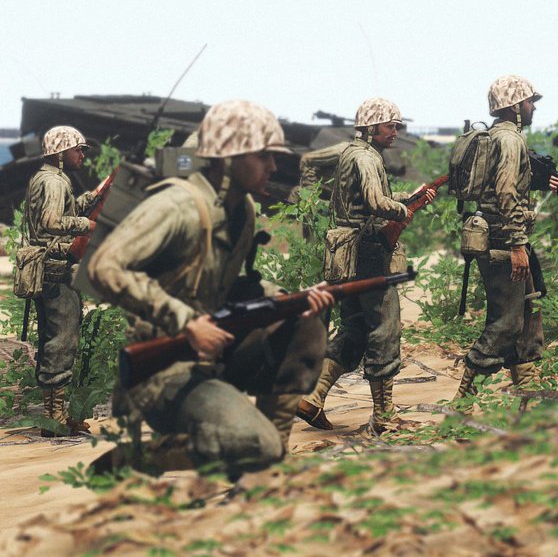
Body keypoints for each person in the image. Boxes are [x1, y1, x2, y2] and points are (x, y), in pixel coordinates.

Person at [88, 100, 334, 475]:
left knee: (306, 324)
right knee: (255, 445)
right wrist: (186, 323)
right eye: (263, 156)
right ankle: (131, 459)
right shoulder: (179, 204)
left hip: (214, 353)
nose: (273, 166)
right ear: (228, 157)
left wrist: (283, 300)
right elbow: (106, 266)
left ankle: (268, 466)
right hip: (161, 370)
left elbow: (219, 285)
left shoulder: (244, 211)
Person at [298, 98, 435, 433]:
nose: (396, 132)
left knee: (355, 329)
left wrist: (405, 197)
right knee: (385, 330)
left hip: (344, 255)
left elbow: (360, 197)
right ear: (372, 127)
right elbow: (375, 203)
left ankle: (312, 400)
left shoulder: (351, 152)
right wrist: (404, 210)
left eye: (398, 126)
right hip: (369, 253)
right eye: (390, 126)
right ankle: (385, 417)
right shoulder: (365, 157)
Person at [454, 75, 558, 401]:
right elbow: (504, 193)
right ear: (516, 106)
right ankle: (461, 402)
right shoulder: (511, 140)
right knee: (506, 324)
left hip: (503, 238)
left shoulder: (497, 137)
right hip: (504, 243)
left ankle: (529, 400)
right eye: (530, 102)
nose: (533, 108)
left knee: (528, 320)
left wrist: (545, 183)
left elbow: (505, 185)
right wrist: (518, 245)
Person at [15, 126, 102, 437]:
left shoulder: (50, 177)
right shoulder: (53, 181)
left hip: (48, 266)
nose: (81, 154)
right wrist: (86, 223)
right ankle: (54, 418)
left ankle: (58, 414)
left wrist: (92, 197)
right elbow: (52, 222)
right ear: (60, 153)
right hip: (53, 268)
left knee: (56, 339)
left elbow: (60, 212)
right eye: (77, 149)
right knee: (62, 340)